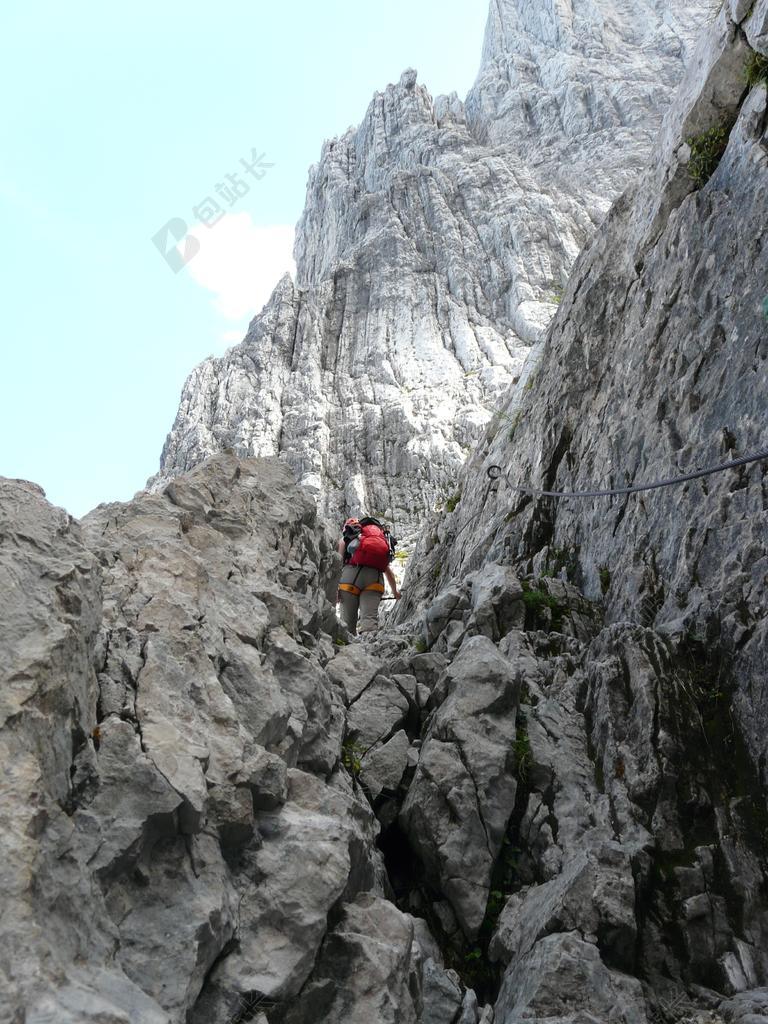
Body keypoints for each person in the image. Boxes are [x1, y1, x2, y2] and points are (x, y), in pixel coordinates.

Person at [337, 517, 401, 635]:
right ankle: (370, 647)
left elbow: (338, 563)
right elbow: (388, 571)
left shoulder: (346, 539)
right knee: (369, 622)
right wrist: (395, 592)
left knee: (347, 624)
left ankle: (348, 649)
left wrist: (335, 588)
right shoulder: (380, 540)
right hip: (374, 580)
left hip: (349, 579)